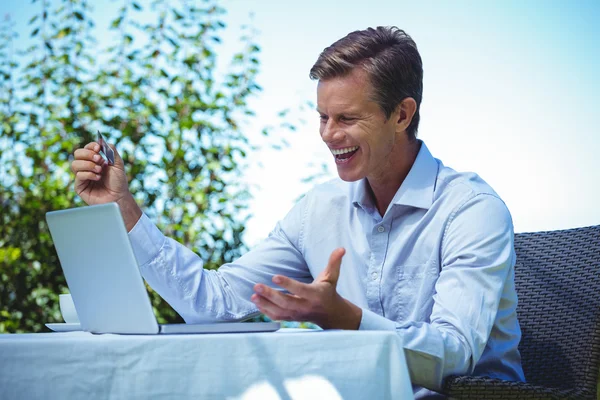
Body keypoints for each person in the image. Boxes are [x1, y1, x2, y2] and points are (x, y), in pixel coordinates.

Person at [71, 26, 525, 398]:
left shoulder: (472, 211)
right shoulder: (318, 209)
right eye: (322, 117)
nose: (328, 135)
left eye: (346, 118)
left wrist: (343, 317)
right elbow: (215, 303)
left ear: (402, 115)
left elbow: (455, 353)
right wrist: (123, 209)